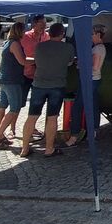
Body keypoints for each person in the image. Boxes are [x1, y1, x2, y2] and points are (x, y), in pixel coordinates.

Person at [21, 22, 74, 158]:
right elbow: (69, 62)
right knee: (52, 118)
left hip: (39, 84)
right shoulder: (68, 47)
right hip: (57, 85)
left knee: (32, 117)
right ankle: (49, 148)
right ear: (62, 34)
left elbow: (36, 61)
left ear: (49, 34)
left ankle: (25, 148)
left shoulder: (39, 46)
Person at [66, 26, 106, 147]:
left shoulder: (97, 49)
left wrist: (81, 63)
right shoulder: (99, 48)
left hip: (89, 80)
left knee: (78, 106)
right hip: (94, 79)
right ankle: (93, 132)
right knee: (93, 105)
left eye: (92, 34)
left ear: (98, 34)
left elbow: (95, 67)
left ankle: (74, 135)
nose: (90, 36)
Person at [0, 21, 29, 149]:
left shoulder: (7, 43)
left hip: (4, 78)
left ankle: (0, 135)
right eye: (24, 31)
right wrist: (37, 61)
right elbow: (22, 61)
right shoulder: (15, 44)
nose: (25, 33)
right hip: (12, 80)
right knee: (14, 109)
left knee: (2, 106)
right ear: (20, 32)